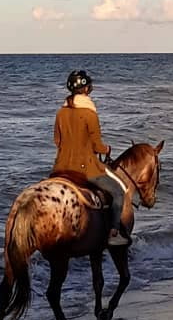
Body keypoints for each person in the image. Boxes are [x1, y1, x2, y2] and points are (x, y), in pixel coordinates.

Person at [52, 69, 132, 245]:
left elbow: (57, 141)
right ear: (86, 89)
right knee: (119, 192)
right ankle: (114, 233)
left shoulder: (60, 113)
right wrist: (107, 149)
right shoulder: (90, 113)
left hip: (60, 168)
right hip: (85, 169)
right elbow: (97, 146)